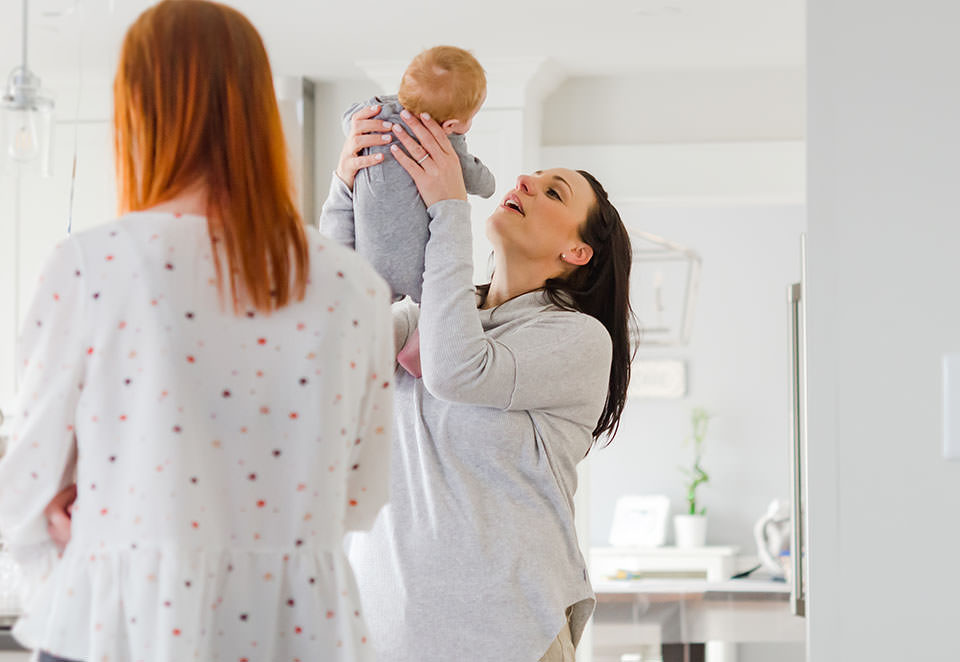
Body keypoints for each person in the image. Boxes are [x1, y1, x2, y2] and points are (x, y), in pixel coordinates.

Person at [0, 2, 393, 661]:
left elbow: (27, 489)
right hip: (292, 631)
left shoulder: (94, 265)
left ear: (136, 112)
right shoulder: (355, 288)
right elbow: (360, 496)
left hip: (120, 627)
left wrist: (102, 523)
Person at [325, 107, 634, 661]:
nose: (524, 184)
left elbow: (457, 369)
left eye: (553, 194)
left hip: (508, 638)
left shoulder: (578, 339)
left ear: (577, 253)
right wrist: (346, 195)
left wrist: (448, 208)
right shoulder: (433, 315)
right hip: (384, 636)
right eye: (531, 178)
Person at [320, 45, 496, 304]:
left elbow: (348, 119)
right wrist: (490, 182)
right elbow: (479, 181)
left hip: (366, 267)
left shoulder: (372, 115)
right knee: (437, 307)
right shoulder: (446, 142)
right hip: (417, 273)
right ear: (449, 124)